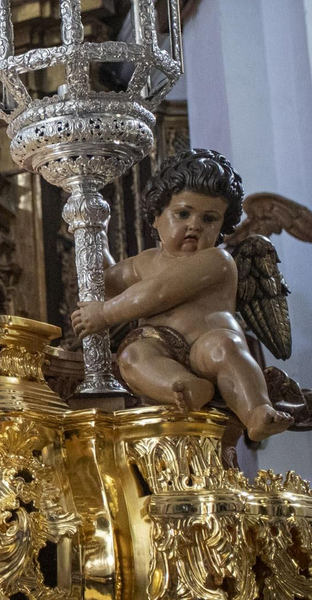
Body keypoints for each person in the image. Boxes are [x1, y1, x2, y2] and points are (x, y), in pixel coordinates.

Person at [70, 150, 293, 441]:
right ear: (155, 217)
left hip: (206, 340)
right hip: (159, 345)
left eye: (209, 218)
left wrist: (104, 314)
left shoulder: (217, 260)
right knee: (133, 357)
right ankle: (182, 385)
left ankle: (257, 411)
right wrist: (94, 234)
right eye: (183, 213)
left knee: (225, 348)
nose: (195, 225)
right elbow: (106, 282)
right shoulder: (145, 262)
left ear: (222, 227)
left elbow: (157, 293)